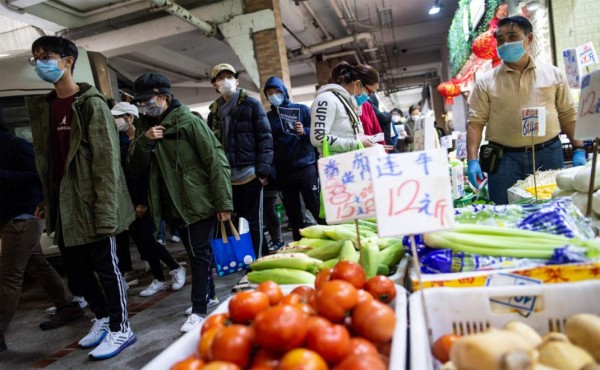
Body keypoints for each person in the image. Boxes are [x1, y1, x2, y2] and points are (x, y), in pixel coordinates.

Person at [26, 35, 135, 360]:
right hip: (65, 202)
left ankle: (121, 328)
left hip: (94, 201)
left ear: (68, 60)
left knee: (106, 268)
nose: (41, 63)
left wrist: (106, 211)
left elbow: (106, 162)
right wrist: (47, 200)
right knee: (76, 272)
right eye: (36, 58)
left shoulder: (90, 105)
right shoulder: (46, 106)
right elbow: (49, 160)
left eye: (46, 56)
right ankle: (102, 318)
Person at [128, 72, 233, 333]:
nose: (143, 106)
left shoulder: (188, 122)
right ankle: (209, 296)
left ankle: (199, 310)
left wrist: (223, 203)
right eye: (140, 102)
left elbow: (215, 160)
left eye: (147, 100)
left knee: (198, 255)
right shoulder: (145, 127)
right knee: (196, 251)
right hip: (169, 203)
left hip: (197, 200)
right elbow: (133, 163)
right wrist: (145, 140)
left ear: (163, 96)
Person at [466, 15, 586, 204]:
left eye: (512, 37)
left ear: (529, 39)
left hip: (549, 154)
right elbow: (475, 122)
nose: (505, 43)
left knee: (553, 208)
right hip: (504, 159)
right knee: (506, 212)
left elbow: (567, 114)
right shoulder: (485, 82)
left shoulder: (553, 74)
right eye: (501, 39)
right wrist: (472, 161)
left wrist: (579, 148)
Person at [0, 126, 85, 352]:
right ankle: (68, 305)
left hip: (22, 218)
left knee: (8, 277)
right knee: (37, 266)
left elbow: (40, 175)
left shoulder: (14, 145)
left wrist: (4, 176)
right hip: (11, 220)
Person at [111, 102, 186, 297]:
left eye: (118, 117)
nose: (115, 121)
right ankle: (159, 278)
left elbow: (147, 173)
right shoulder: (119, 142)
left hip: (147, 198)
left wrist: (143, 201)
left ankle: (174, 267)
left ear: (130, 118)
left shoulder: (145, 138)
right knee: (143, 240)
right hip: (129, 200)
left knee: (147, 238)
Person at [207, 63, 273, 258]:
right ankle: (253, 256)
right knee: (238, 220)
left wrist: (262, 171)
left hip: (250, 174)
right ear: (215, 85)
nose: (225, 81)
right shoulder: (214, 113)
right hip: (228, 177)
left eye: (229, 76)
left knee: (254, 221)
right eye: (220, 78)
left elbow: (265, 137)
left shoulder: (251, 104)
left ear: (236, 80)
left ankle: (259, 260)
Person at [263, 76, 325, 242]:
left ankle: (328, 237)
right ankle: (299, 244)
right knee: (293, 213)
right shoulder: (268, 118)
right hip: (284, 172)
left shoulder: (302, 110)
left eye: (277, 91)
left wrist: (304, 130)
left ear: (284, 92)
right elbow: (268, 145)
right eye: (270, 93)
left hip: (306, 167)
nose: (274, 95)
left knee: (315, 206)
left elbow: (316, 134)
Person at [310, 62, 379, 155]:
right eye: (370, 92)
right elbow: (318, 138)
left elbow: (347, 134)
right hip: (337, 165)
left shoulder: (348, 102)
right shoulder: (327, 99)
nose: (369, 96)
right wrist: (357, 144)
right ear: (358, 83)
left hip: (352, 162)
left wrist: (367, 141)